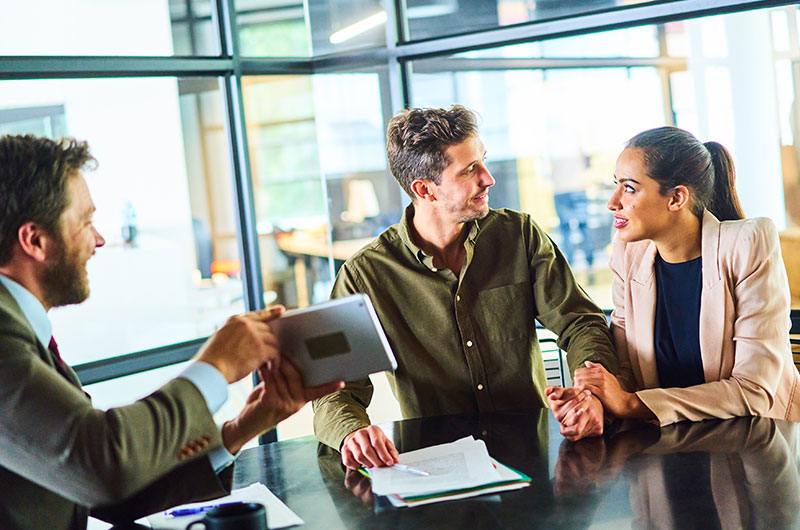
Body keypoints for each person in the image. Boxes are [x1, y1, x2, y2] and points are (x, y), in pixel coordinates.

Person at [0, 134, 343, 530]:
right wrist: (215, 367)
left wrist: (238, 430)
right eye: (86, 221)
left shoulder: (22, 331)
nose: (99, 239)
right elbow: (100, 463)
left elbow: (109, 494)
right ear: (35, 241)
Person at [312, 105, 619, 469]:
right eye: (469, 170)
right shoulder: (365, 275)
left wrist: (592, 394)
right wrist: (352, 432)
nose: (488, 178)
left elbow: (580, 322)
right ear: (424, 189)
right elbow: (335, 386)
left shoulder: (519, 235)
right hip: (437, 468)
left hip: (533, 457)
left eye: (483, 161)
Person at [549, 126, 800, 430]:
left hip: (757, 445)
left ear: (677, 198)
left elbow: (754, 391)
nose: (612, 202)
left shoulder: (747, 244)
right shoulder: (628, 254)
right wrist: (593, 401)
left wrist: (630, 404)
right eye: (615, 185)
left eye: (629, 188)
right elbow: (627, 371)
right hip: (669, 446)